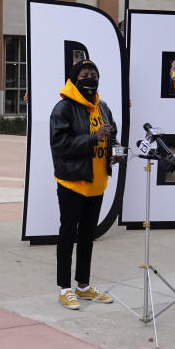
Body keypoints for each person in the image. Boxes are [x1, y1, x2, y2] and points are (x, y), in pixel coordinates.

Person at [49, 59, 121, 310]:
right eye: (84, 74)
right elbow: (60, 145)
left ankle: (83, 286)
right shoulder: (63, 108)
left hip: (97, 182)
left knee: (88, 236)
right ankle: (65, 289)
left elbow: (112, 135)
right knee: (68, 234)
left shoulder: (103, 107)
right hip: (72, 182)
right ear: (74, 78)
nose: (90, 78)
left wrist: (115, 150)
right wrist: (94, 138)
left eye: (93, 74)